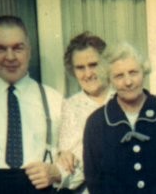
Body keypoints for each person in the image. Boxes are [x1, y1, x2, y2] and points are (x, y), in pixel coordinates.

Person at [0, 15, 63, 193]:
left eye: (18, 48)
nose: (10, 57)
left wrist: (57, 173)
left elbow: (73, 161)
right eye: (0, 48)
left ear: (29, 50)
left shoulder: (55, 99)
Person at [83, 41, 156, 194]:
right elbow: (94, 182)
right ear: (109, 80)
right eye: (119, 76)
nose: (128, 82)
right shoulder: (97, 123)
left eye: (133, 72)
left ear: (144, 72)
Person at [56, 32, 114, 193]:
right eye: (80, 68)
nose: (88, 74)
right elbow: (69, 165)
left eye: (93, 64)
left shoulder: (123, 97)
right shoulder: (70, 107)